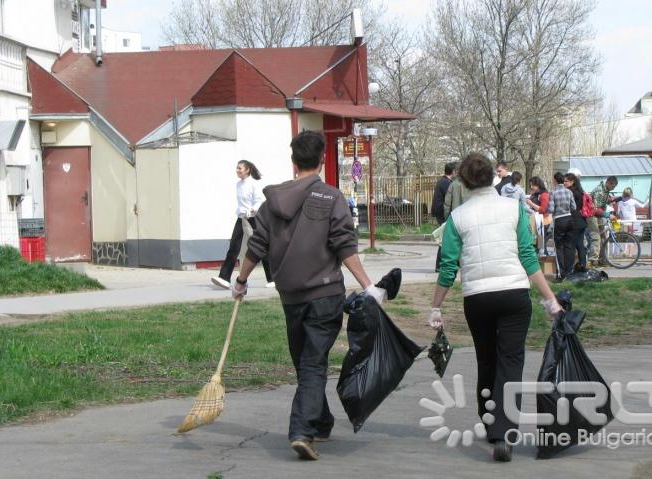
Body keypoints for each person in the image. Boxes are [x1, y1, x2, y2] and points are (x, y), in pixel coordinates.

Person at [231, 131, 389, 461]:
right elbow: (344, 246)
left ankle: (320, 422)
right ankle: (302, 431)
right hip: (325, 294)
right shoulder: (331, 198)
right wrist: (368, 285)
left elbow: (256, 246)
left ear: (294, 161)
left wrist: (241, 280)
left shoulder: (271, 203)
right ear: (322, 160)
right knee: (311, 363)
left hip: (291, 296)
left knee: (307, 362)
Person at [427, 153, 562, 462]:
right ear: (493, 177)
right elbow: (528, 257)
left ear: (463, 182)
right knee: (510, 361)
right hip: (514, 295)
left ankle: (490, 424)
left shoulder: (457, 218)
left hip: (477, 298)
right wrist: (549, 299)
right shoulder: (514, 209)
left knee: (486, 359)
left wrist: (435, 307)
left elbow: (448, 267)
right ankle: (504, 432)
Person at [211, 160, 272, 289]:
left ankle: (272, 278)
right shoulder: (238, 185)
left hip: (253, 218)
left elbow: (259, 200)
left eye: (240, 168)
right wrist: (241, 212)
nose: (237, 170)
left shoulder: (254, 184)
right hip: (241, 218)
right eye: (237, 168)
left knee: (261, 247)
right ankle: (224, 278)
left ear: (247, 170)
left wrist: (252, 210)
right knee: (234, 247)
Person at [548, 172, 575, 280]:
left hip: (559, 220)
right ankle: (569, 271)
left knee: (559, 247)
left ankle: (561, 273)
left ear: (555, 180)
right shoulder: (569, 191)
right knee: (568, 246)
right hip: (569, 219)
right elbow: (574, 207)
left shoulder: (552, 192)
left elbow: (551, 209)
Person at [587, 176, 618, 266]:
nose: (613, 188)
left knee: (603, 238)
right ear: (608, 183)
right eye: (613, 186)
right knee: (596, 237)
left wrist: (611, 200)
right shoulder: (599, 191)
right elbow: (595, 208)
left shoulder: (605, 190)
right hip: (592, 215)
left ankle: (602, 259)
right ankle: (593, 260)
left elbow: (601, 202)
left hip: (599, 215)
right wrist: (608, 215)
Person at [431, 162, 456, 272]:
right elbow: (449, 200)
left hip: (439, 213)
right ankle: (439, 265)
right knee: (444, 240)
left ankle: (441, 265)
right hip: (442, 214)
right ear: (453, 171)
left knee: (445, 239)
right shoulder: (447, 183)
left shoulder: (442, 181)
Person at [564, 173, 587, 272]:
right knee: (580, 245)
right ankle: (582, 265)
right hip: (582, 221)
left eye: (566, 181)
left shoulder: (570, 192)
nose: (564, 183)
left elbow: (569, 207)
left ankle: (569, 268)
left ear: (572, 182)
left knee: (571, 246)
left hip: (574, 222)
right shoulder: (580, 191)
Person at [526, 176, 550, 256]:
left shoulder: (544, 195)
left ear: (538, 185)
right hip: (535, 221)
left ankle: (544, 258)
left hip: (542, 223)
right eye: (530, 185)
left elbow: (543, 209)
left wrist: (531, 203)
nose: (531, 187)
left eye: (533, 185)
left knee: (541, 244)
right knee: (537, 243)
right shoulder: (535, 194)